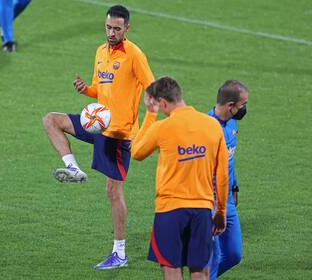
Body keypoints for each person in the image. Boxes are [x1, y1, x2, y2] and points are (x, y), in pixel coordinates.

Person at [42, 5, 154, 270]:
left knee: (113, 191)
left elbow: (154, 96)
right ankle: (73, 168)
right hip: (97, 123)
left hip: (119, 134)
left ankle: (120, 253)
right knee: (51, 120)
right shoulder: (100, 52)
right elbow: (102, 90)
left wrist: (145, 132)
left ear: (127, 28)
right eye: (108, 27)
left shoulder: (135, 55)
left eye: (117, 28)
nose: (111, 32)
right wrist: (87, 90)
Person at [131, 76, 229, 280]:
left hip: (169, 210)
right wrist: (220, 210)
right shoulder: (212, 125)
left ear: (163, 103)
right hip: (202, 209)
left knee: (172, 269)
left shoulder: (163, 127)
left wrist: (150, 114)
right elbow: (222, 175)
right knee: (200, 270)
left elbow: (137, 152)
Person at [207, 80, 248, 279]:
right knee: (212, 257)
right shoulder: (205, 128)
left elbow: (229, 159)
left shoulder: (233, 122)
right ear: (230, 106)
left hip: (227, 202)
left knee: (233, 254)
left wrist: (235, 185)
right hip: (208, 202)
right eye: (243, 105)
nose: (244, 109)